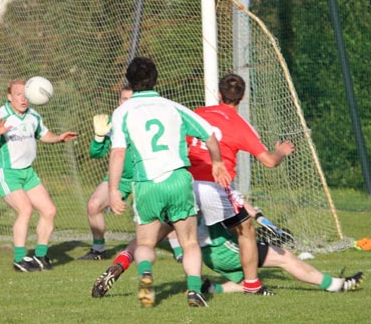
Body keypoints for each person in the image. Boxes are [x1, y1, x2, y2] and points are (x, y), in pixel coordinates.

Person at [108, 57, 231, 308]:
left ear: (129, 81)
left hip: (146, 183)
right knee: (189, 242)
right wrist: (217, 162)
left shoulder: (122, 112)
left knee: (144, 243)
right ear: (156, 79)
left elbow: (118, 153)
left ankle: (145, 274)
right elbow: (209, 135)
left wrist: (113, 191)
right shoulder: (173, 107)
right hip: (177, 178)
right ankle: (194, 291)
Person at [187, 73, 295, 295]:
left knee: (168, 232)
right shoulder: (240, 125)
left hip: (184, 183)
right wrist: (281, 152)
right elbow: (269, 161)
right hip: (213, 185)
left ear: (218, 94)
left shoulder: (196, 114)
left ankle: (130, 262)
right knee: (246, 229)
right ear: (243, 97)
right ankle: (252, 284)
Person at [0, 79, 78, 272]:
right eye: (18, 94)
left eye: (26, 94)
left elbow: (43, 134)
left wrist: (58, 138)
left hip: (28, 172)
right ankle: (19, 259)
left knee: (49, 210)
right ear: (9, 96)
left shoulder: (33, 116)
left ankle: (40, 256)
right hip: (5, 173)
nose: (23, 99)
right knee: (25, 209)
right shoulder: (0, 116)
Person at [198, 215, 364, 294]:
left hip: (210, 254)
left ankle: (212, 289)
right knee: (284, 257)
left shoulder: (190, 187)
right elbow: (234, 215)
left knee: (249, 282)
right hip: (223, 248)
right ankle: (335, 284)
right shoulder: (213, 182)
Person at [78, 86, 134, 260]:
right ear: (119, 101)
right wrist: (99, 137)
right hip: (119, 177)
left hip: (144, 177)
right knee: (93, 205)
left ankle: (179, 253)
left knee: (161, 213)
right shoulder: (112, 122)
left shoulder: (143, 120)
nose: (127, 103)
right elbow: (96, 153)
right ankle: (99, 250)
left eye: (131, 99)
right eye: (124, 99)